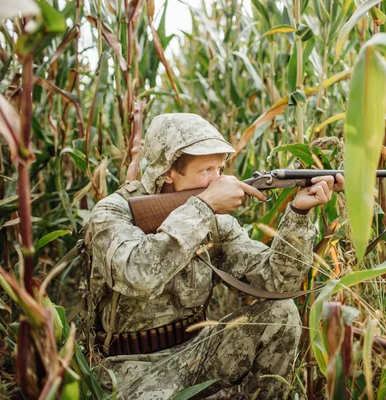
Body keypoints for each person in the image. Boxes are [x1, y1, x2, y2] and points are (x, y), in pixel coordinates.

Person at [84, 113, 344, 399]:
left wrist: (299, 212)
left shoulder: (216, 222)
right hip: (131, 368)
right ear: (168, 170)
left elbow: (279, 283)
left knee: (281, 314)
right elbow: (138, 275)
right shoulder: (113, 213)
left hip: (199, 351)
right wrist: (203, 207)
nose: (217, 180)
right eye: (206, 170)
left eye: (220, 169)